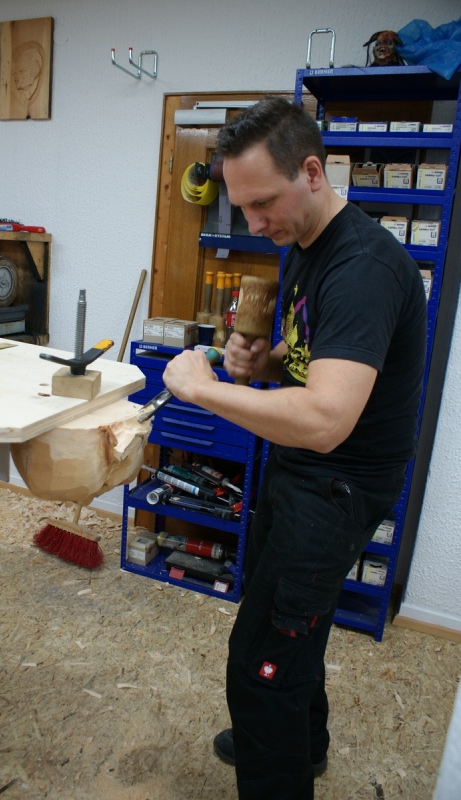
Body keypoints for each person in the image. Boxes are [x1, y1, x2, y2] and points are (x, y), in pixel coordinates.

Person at [161, 96, 427, 799]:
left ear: (311, 172)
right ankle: (303, 746)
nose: (254, 224)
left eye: (263, 203)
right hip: (304, 471)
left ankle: (277, 752)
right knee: (295, 626)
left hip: (336, 485)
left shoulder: (363, 266)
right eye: (242, 207)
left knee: (260, 667)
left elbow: (326, 418)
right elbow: (314, 357)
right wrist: (265, 363)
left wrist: (203, 390)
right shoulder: (308, 244)